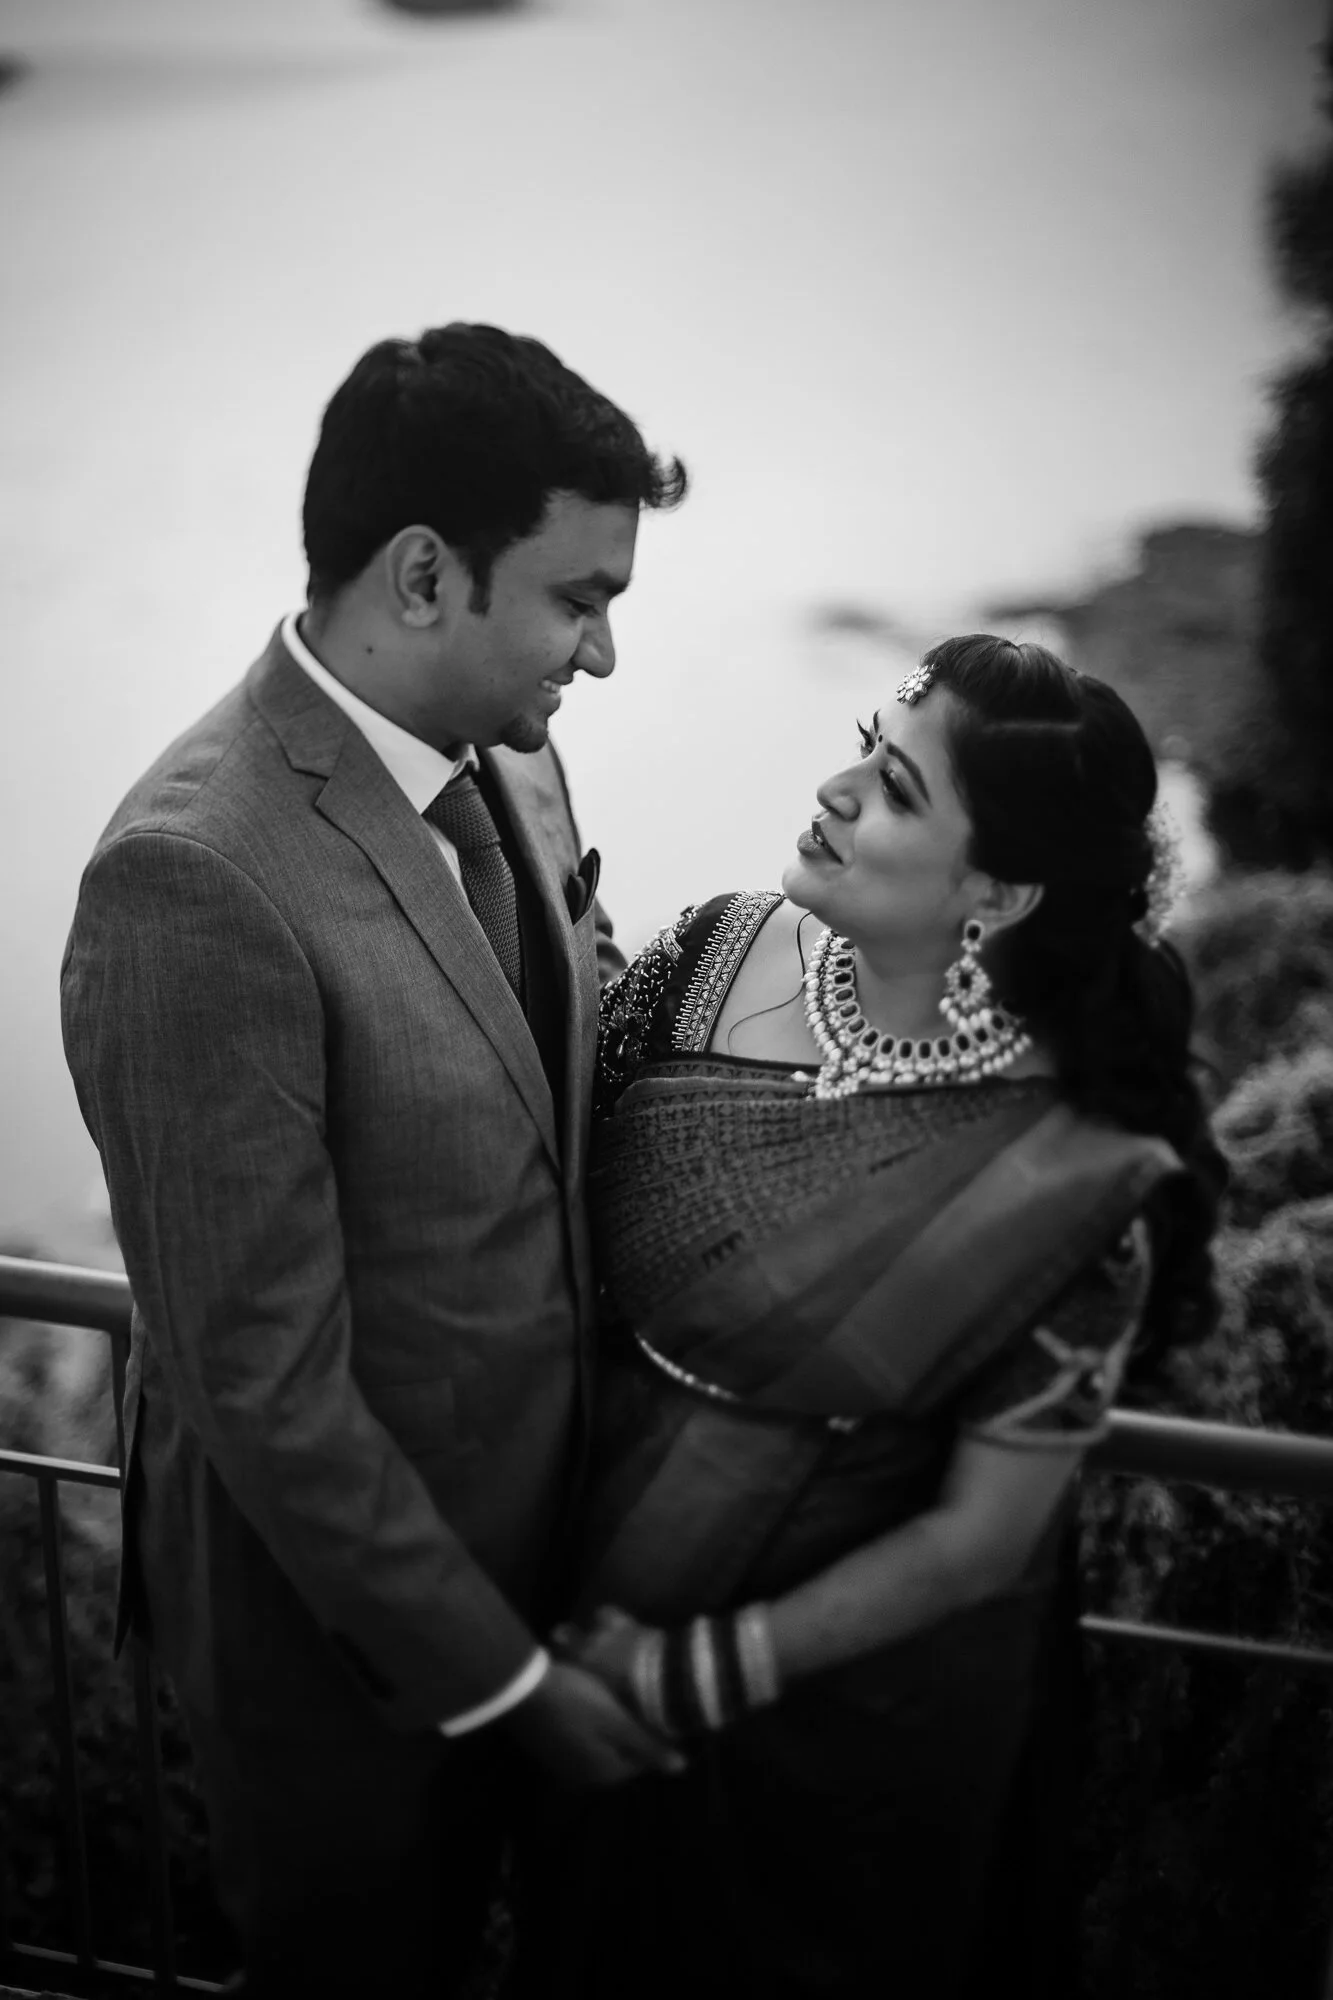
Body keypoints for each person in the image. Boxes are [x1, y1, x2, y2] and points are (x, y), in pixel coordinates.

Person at [59, 323, 687, 1998]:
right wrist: (499, 1680)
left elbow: (587, 1041)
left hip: (564, 1576)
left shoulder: (524, 755)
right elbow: (259, 1380)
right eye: (578, 599)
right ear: (423, 575)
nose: (605, 655)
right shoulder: (191, 880)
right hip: (332, 1663)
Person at [512, 634, 1225, 1999]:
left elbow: (981, 1540)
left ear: (999, 891)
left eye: (896, 788)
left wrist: (681, 1676)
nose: (836, 792)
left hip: (839, 1737)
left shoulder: (1073, 1178)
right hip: (575, 1636)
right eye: (862, 741)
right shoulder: (711, 955)